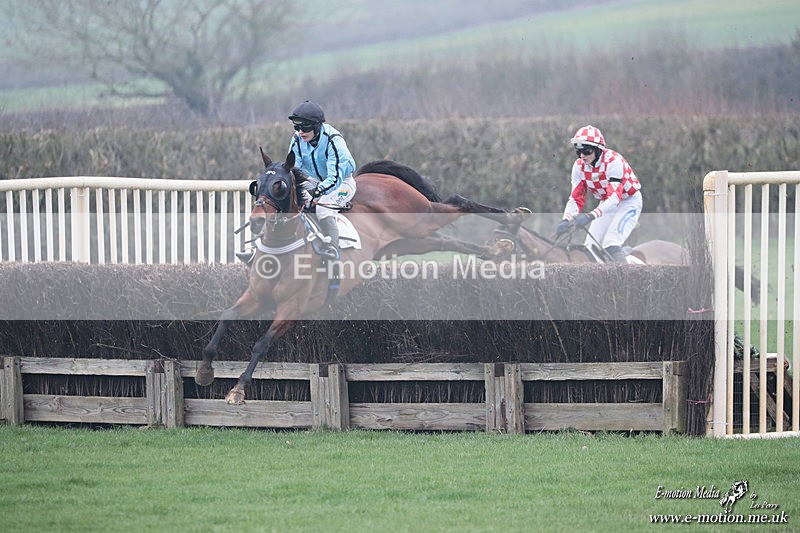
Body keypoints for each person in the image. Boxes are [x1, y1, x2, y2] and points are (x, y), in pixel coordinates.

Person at [555, 125, 642, 263]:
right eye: (578, 151)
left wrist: (590, 216)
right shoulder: (578, 166)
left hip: (628, 201)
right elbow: (576, 198)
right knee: (589, 247)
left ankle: (629, 281)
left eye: (587, 151)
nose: (582, 156)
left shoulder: (613, 161)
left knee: (610, 243)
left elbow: (614, 198)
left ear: (598, 149)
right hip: (606, 203)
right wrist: (566, 219)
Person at [288, 100, 356, 260]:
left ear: (317, 126)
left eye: (304, 127)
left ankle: (333, 248)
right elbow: (293, 170)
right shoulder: (297, 139)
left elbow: (334, 179)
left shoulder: (334, 140)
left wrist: (315, 192)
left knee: (323, 209)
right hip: (313, 180)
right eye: (296, 127)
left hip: (341, 183)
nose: (300, 132)